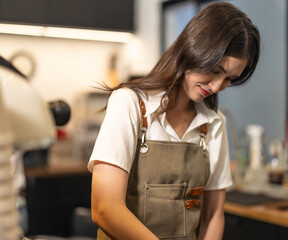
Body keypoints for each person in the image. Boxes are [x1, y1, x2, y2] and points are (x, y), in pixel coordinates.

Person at [88, 2, 260, 240]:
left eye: (230, 78)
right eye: (215, 69)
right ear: (193, 48)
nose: (218, 86)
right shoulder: (129, 103)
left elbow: (213, 215)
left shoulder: (213, 123)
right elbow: (105, 208)